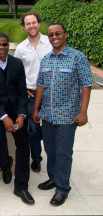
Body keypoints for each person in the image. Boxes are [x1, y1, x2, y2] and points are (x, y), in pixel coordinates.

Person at [33, 23, 92, 206]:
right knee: (50, 150)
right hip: (48, 115)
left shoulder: (77, 57)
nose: (54, 37)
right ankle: (54, 178)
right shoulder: (46, 59)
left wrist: (83, 112)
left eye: (57, 33)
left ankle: (62, 188)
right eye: (50, 35)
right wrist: (36, 109)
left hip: (67, 116)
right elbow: (40, 86)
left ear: (65, 34)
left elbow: (86, 85)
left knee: (63, 152)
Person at [0, 33, 35, 205]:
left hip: (16, 110)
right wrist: (4, 117)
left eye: (4, 44)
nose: (2, 48)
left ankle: (21, 186)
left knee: (24, 145)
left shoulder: (17, 64)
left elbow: (21, 92)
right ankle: (5, 165)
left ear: (8, 45)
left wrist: (21, 115)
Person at [14, 12, 52, 172]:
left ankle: (53, 159)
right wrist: (23, 89)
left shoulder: (51, 43)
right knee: (34, 130)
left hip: (51, 93)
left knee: (50, 128)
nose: (31, 26)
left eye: (34, 22)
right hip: (31, 95)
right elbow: (16, 72)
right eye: (28, 23)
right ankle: (36, 157)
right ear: (24, 27)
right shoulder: (21, 48)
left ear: (39, 24)